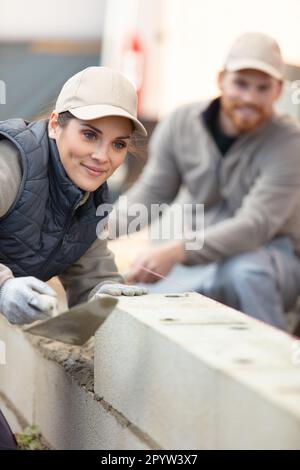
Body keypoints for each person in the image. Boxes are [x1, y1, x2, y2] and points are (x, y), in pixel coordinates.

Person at [111, 33, 300, 330]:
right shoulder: (181, 123)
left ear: (278, 90)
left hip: (273, 259)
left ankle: (275, 366)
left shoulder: (289, 143)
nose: (250, 97)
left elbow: (255, 225)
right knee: (140, 300)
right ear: (222, 80)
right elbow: (151, 194)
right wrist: (95, 232)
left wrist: (176, 251)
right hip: (202, 258)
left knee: (245, 272)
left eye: (262, 88)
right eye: (241, 84)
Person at [0, 66, 148, 327]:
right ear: (56, 125)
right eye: (90, 135)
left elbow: (92, 275)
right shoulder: (9, 165)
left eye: (118, 144)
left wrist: (100, 296)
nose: (103, 157)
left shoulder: (87, 200)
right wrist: (3, 287)